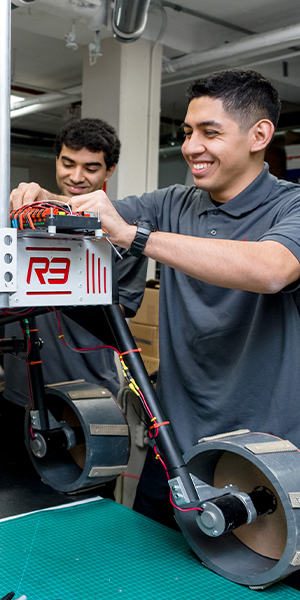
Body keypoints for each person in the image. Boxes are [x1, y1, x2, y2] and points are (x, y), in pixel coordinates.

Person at [4, 118, 147, 496]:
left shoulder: (121, 232)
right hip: (20, 394)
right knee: (15, 498)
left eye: (91, 167)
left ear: (109, 170)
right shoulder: (22, 218)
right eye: (68, 163)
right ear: (56, 160)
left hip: (90, 397)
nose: (77, 175)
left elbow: (121, 313)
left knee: (88, 506)